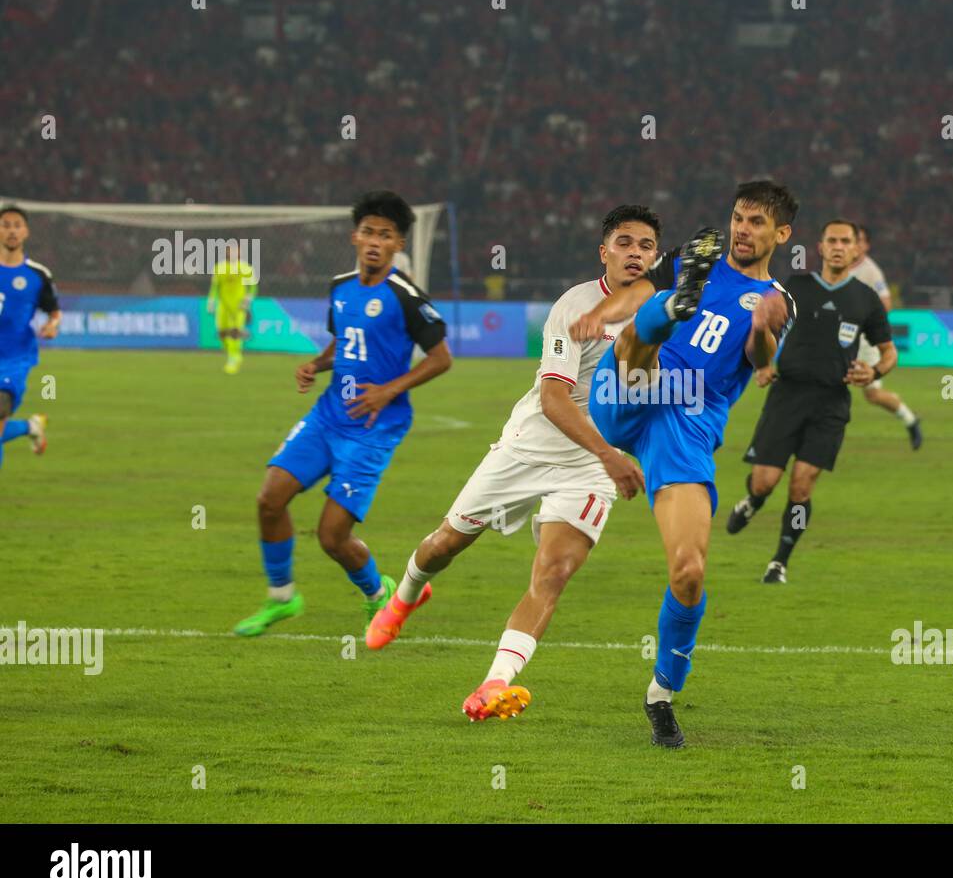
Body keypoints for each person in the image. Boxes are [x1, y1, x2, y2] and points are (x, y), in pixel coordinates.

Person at [367, 205, 659, 723]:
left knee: (555, 572)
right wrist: (612, 456)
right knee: (446, 543)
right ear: (604, 252)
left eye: (646, 246)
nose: (635, 253)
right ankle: (407, 595)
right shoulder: (575, 305)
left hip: (589, 468)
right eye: (624, 242)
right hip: (531, 447)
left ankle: (493, 684)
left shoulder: (657, 309)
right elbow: (553, 399)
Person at [571, 180, 797, 748]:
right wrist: (602, 312)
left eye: (757, 223)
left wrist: (766, 330)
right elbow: (630, 297)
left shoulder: (778, 300)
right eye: (739, 218)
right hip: (633, 387)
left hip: (691, 418)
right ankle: (675, 307)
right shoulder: (688, 259)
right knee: (639, 345)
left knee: (690, 570)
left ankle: (662, 693)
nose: (744, 230)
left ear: (782, 235)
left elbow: (760, 359)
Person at [234, 191, 452, 636]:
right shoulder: (340, 287)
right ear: (355, 236)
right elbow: (347, 342)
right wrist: (317, 363)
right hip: (328, 415)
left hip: (374, 428)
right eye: (369, 231)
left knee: (332, 536)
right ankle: (282, 598)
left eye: (386, 235)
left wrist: (386, 392)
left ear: (397, 246)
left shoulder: (406, 296)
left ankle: (379, 595)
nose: (375, 241)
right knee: (268, 498)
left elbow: (440, 358)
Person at [726, 219, 896, 583]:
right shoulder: (796, 287)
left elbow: (889, 353)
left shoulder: (865, 300)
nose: (838, 246)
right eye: (831, 240)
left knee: (802, 485)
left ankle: (779, 561)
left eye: (845, 241)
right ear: (820, 247)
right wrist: (764, 363)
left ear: (856, 250)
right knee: (764, 482)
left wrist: (875, 373)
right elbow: (765, 329)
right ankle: (753, 501)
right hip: (787, 395)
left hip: (831, 404)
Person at [848, 223, 921, 449]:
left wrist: (865, 320)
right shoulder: (838, 265)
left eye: (859, 241)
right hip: (842, 335)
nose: (855, 245)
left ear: (866, 246)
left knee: (873, 395)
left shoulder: (871, 271)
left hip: (864, 341)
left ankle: (910, 420)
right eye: (852, 239)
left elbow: (886, 303)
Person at [0, 205, 57, 469]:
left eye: (16, 225)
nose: (11, 231)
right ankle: (30, 426)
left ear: (26, 232)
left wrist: (52, 325)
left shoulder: (37, 274)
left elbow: (53, 311)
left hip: (15, 359)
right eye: (6, 225)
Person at [208, 244, 257, 374]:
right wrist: (211, 301)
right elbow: (215, 286)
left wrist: (248, 300)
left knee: (234, 331)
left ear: (240, 253)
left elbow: (253, 286)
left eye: (236, 251)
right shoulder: (219, 267)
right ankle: (233, 355)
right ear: (227, 253)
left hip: (239, 305)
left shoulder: (245, 268)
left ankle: (233, 358)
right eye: (231, 251)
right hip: (224, 305)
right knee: (222, 333)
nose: (234, 254)